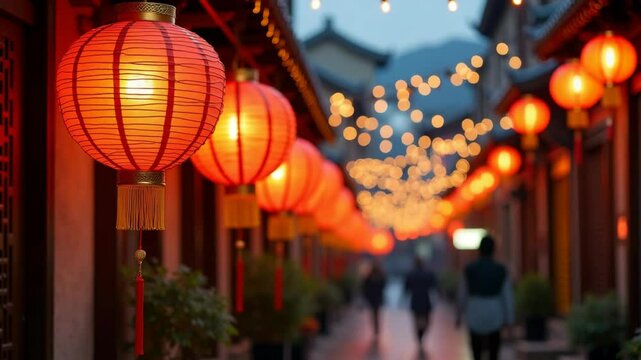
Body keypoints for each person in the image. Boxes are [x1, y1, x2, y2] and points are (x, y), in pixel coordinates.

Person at [457, 235, 514, 360]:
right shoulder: (501, 270)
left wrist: (459, 315)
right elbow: (507, 297)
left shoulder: (469, 270)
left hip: (474, 312)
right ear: (494, 250)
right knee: (494, 352)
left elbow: (462, 294)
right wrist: (509, 321)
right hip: (495, 313)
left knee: (476, 351)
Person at [405, 257, 437, 351]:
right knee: (426, 320)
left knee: (417, 320)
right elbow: (434, 286)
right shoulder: (428, 274)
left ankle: (420, 336)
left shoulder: (411, 274)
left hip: (416, 300)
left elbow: (406, 288)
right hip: (425, 300)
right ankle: (421, 335)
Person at [362, 261, 387, 337]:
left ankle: (376, 327)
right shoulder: (379, 276)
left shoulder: (371, 276)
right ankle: (376, 327)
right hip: (376, 297)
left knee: (374, 312)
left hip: (373, 297)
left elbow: (365, 286)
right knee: (375, 312)